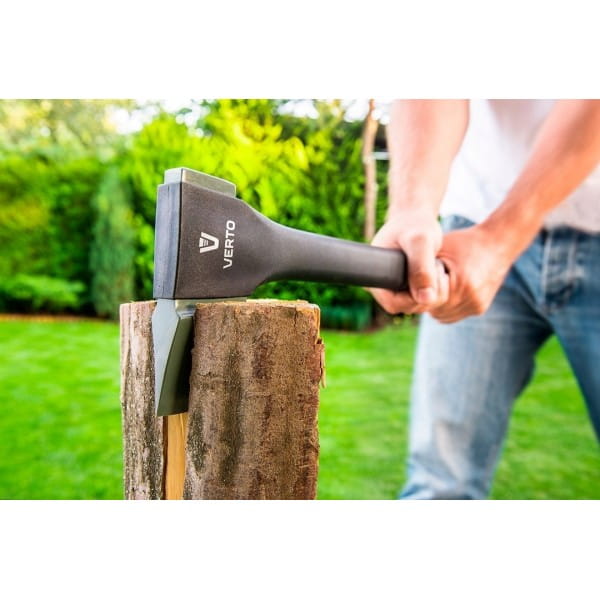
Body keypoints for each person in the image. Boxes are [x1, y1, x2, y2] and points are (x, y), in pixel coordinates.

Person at [369, 100, 600, 499]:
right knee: (440, 485)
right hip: (471, 228)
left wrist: (500, 239)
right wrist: (411, 211)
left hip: (518, 231)